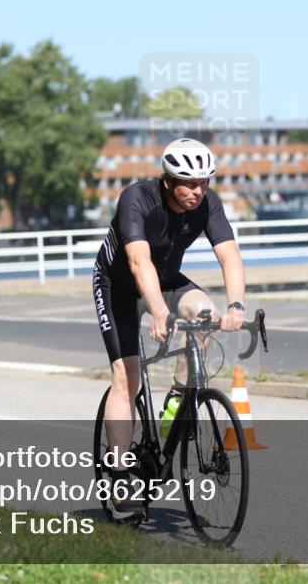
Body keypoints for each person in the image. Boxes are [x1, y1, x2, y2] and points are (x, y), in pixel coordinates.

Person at [92, 138, 246, 522]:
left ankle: (178, 396)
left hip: (165, 278)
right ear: (167, 181)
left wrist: (236, 305)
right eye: (189, 183)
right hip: (119, 285)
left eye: (204, 183)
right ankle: (120, 474)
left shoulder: (208, 203)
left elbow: (229, 254)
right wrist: (159, 311)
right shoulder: (136, 199)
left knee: (205, 314)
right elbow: (137, 260)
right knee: (128, 378)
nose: (198, 191)